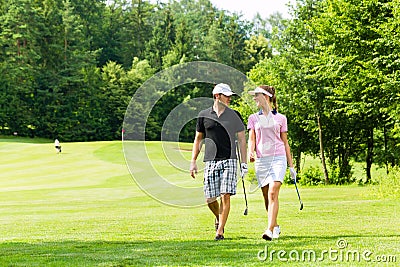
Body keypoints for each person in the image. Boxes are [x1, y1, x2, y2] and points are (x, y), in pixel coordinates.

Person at [190, 83, 248, 241]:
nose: (229, 98)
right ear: (217, 96)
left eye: (230, 95)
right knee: (210, 199)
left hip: (229, 159)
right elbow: (198, 139)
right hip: (210, 160)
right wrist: (193, 161)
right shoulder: (204, 115)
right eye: (226, 95)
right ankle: (219, 217)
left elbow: (242, 139)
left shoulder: (234, 115)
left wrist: (244, 163)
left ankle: (220, 231)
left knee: (225, 195)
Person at [247, 85, 296, 241]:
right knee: (267, 197)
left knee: (273, 192)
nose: (254, 98)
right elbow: (252, 139)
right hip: (262, 160)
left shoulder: (281, 118)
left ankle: (268, 230)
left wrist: (291, 166)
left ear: (266, 97)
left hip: (278, 158)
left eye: (257, 95)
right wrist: (251, 152)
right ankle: (275, 226)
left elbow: (285, 142)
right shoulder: (253, 118)